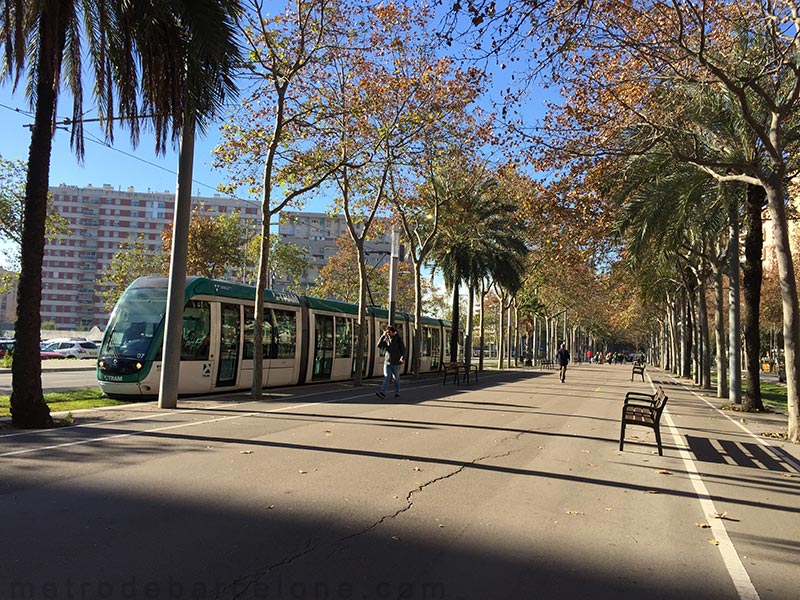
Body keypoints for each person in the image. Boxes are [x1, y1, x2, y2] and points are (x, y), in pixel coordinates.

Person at [377, 325, 405, 399]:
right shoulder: (386, 339)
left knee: (396, 378)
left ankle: (397, 392)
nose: (388, 333)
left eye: (389, 332)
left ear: (394, 332)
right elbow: (379, 345)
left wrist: (402, 357)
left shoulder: (398, 339)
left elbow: (403, 349)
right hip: (387, 362)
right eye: (387, 332)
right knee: (387, 377)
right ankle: (382, 392)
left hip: (396, 363)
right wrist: (383, 336)